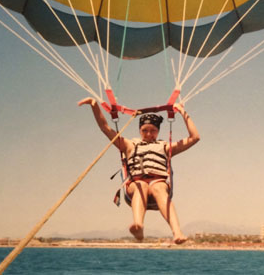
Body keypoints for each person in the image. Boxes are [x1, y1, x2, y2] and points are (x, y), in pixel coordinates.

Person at [78, 97, 200, 244]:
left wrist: (182, 112)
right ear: (139, 130)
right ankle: (138, 226)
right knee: (141, 185)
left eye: (153, 131)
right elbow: (105, 128)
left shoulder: (165, 147)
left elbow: (194, 137)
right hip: (135, 185)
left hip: (158, 184)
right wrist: (94, 106)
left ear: (158, 131)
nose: (149, 134)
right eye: (145, 130)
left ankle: (177, 232)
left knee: (159, 187)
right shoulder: (129, 145)